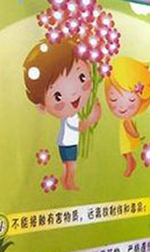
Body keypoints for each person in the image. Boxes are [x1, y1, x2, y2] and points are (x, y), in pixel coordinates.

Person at [23, 39, 101, 191]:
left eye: (82, 77)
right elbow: (80, 127)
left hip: (66, 143)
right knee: (71, 166)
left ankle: (66, 181)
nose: (73, 94)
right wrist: (92, 118)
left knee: (67, 165)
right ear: (42, 106)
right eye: (57, 96)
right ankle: (69, 182)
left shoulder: (72, 115)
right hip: (68, 144)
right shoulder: (70, 117)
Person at [104, 56, 150, 177]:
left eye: (131, 100)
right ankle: (130, 162)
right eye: (113, 99)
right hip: (125, 139)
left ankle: (130, 163)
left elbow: (130, 129)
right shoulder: (124, 120)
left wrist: (135, 134)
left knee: (126, 150)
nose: (122, 107)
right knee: (125, 151)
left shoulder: (126, 120)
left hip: (127, 139)